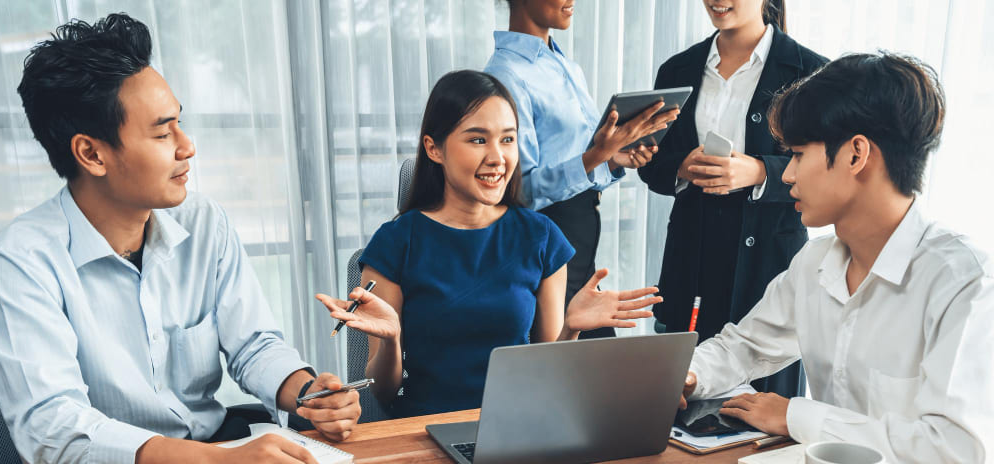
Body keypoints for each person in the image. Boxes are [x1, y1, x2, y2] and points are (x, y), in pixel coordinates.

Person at [0, 14, 360, 464]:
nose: (188, 147)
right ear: (91, 154)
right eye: (163, 133)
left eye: (179, 123)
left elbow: (253, 344)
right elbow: (52, 429)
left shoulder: (204, 221)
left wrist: (307, 393)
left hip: (219, 463)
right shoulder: (23, 259)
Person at [680, 53, 994, 464]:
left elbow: (964, 456)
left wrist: (796, 416)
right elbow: (745, 346)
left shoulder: (964, 280)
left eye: (798, 154)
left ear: (855, 154)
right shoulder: (815, 263)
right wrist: (685, 375)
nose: (786, 174)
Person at [317, 70, 662, 418]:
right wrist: (391, 340)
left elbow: (547, 375)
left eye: (508, 139)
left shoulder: (540, 236)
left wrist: (570, 328)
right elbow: (385, 392)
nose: (498, 157)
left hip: (520, 425)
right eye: (478, 140)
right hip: (426, 430)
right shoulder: (395, 243)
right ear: (434, 149)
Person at [637, 0, 825, 398]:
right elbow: (649, 163)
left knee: (767, 411)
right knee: (679, 397)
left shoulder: (812, 71)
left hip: (768, 264)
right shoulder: (677, 69)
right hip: (694, 259)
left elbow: (829, 166)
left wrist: (759, 172)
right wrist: (681, 165)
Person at [485, 0, 679, 338]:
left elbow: (579, 167)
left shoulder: (567, 67)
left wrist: (614, 157)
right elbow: (519, 190)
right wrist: (598, 155)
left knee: (595, 373)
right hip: (541, 254)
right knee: (561, 373)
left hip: (579, 250)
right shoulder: (506, 74)